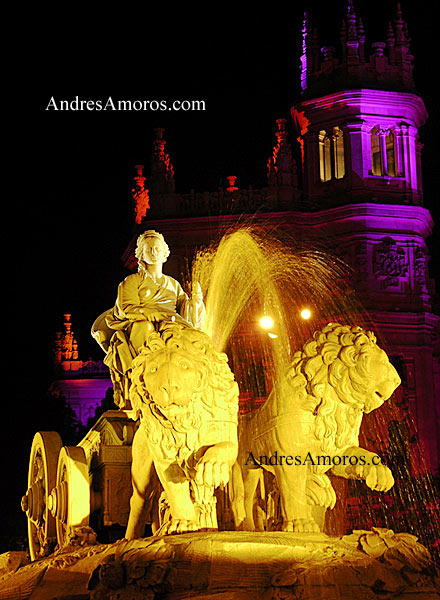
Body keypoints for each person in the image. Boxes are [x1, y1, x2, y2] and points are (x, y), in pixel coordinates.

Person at [92, 230, 205, 409]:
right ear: (141, 254)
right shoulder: (131, 281)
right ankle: (141, 378)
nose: (154, 252)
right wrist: (147, 313)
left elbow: (187, 314)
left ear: (165, 253)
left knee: (196, 338)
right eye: (149, 249)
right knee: (145, 328)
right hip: (141, 324)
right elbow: (126, 308)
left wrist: (196, 303)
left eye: (157, 248)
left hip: (171, 323)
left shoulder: (173, 284)